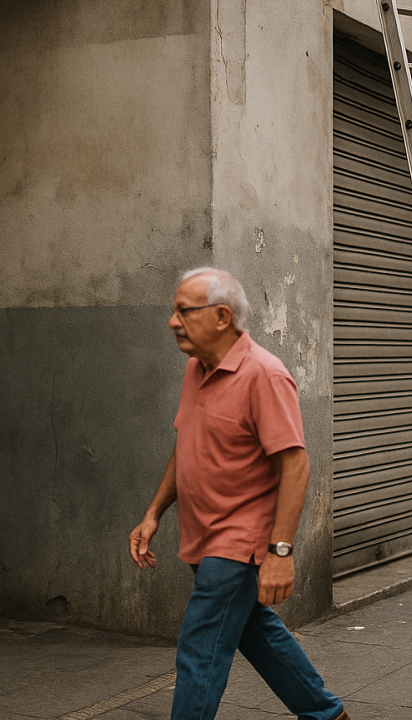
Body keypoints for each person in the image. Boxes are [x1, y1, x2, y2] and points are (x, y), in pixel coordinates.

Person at [128, 268, 348, 720]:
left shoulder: (264, 375)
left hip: (238, 543)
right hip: (202, 536)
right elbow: (187, 446)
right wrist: (153, 513)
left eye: (184, 311)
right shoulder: (198, 368)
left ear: (222, 317)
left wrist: (280, 552)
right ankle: (327, 715)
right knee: (256, 632)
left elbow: (295, 465)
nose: (172, 321)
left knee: (200, 645)